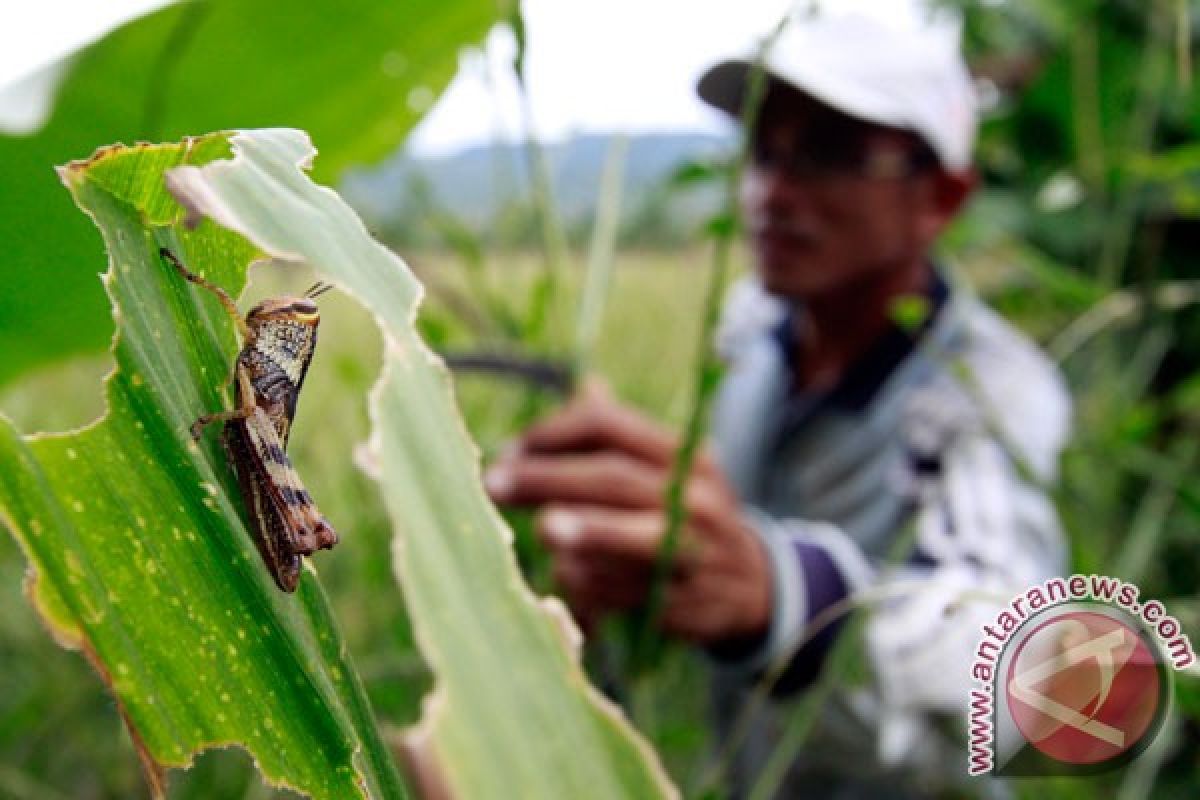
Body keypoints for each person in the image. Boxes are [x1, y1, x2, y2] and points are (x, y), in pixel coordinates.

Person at [485, 9, 1070, 798]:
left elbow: (1012, 684)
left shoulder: (984, 395)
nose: (772, 190)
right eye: (764, 150)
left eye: (829, 154)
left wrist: (791, 599)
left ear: (940, 196)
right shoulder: (752, 332)